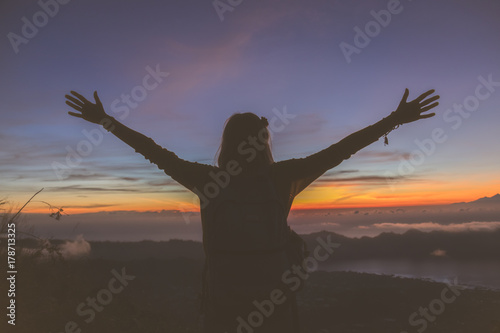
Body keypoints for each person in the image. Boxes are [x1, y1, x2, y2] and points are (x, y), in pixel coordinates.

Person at [65, 88, 439, 332]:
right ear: (263, 142)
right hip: (274, 313)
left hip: (222, 312)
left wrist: (105, 121)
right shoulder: (281, 179)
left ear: (227, 144)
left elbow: (154, 152)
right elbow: (341, 150)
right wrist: (394, 120)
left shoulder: (208, 181)